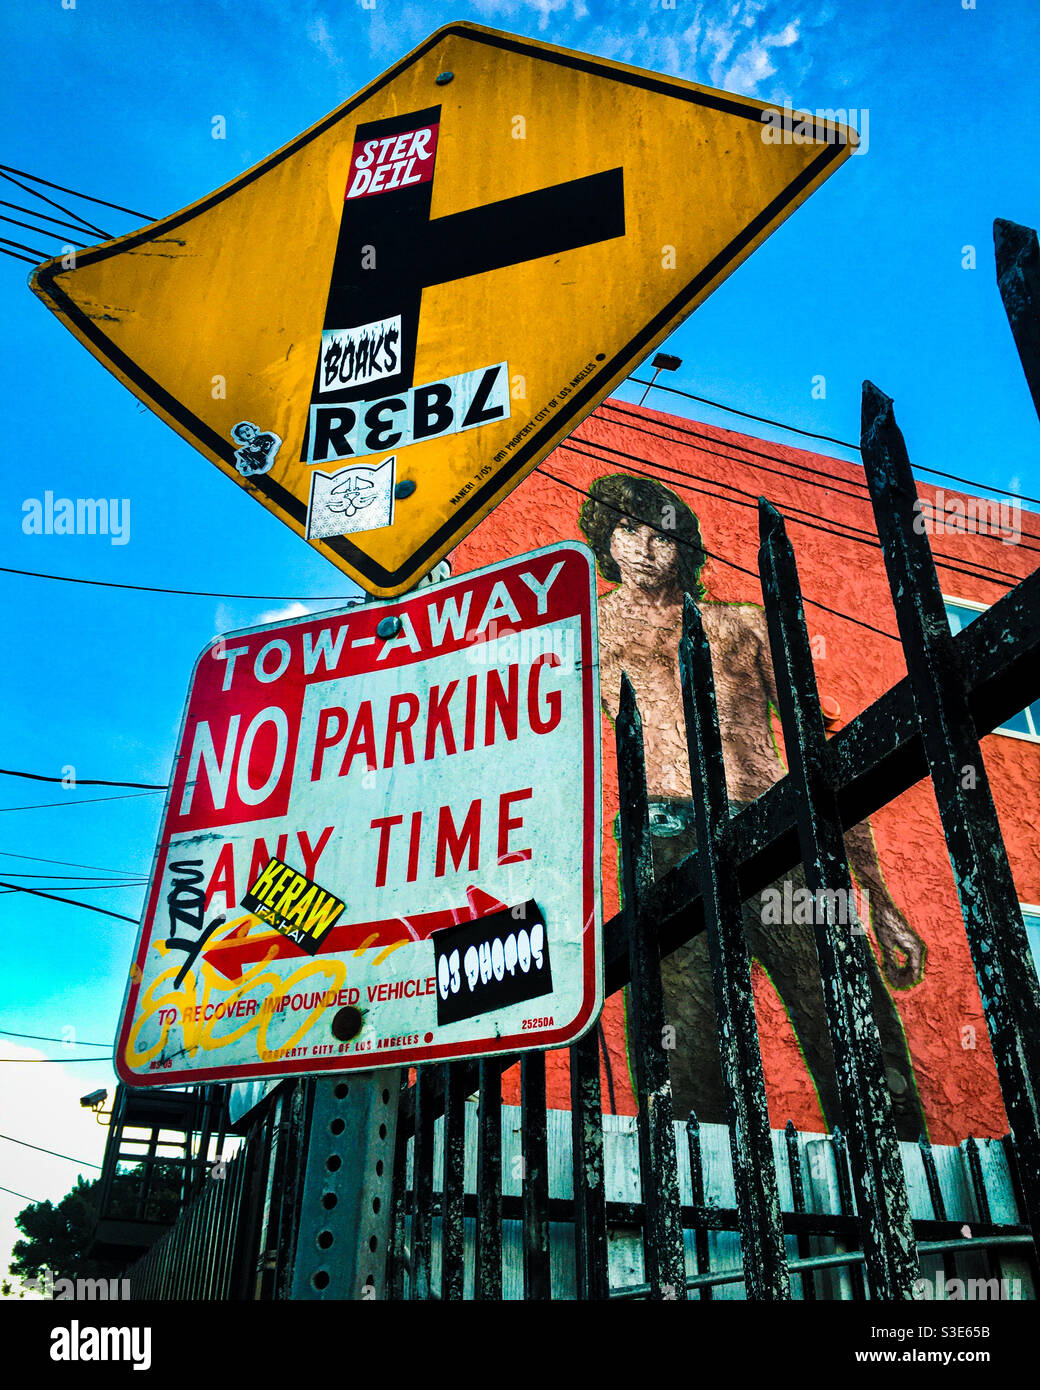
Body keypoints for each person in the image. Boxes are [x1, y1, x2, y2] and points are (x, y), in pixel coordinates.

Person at [579, 472, 927, 1139]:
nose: (647, 549)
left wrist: (878, 896)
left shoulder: (741, 627)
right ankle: (700, 1216)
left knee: (849, 1022)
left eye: (663, 536)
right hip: (666, 840)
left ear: (686, 548)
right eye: (628, 531)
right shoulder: (586, 631)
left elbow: (816, 753)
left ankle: (914, 1199)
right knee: (687, 1054)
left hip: (778, 836)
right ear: (605, 539)